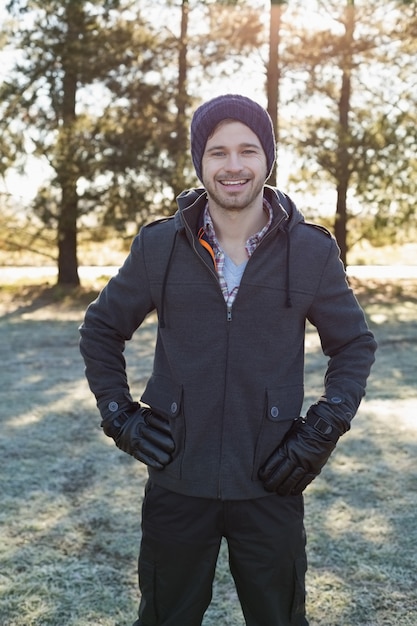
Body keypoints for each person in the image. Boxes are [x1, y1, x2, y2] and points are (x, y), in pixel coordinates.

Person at [79, 94, 377, 626]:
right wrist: (118, 416)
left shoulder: (312, 251)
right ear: (201, 163)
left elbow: (353, 344)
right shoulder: (159, 247)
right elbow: (101, 329)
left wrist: (323, 429)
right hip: (177, 481)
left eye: (248, 150)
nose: (234, 166)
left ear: (268, 158)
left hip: (273, 478)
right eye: (218, 153)